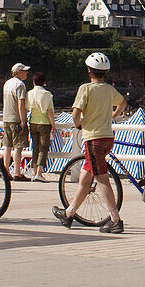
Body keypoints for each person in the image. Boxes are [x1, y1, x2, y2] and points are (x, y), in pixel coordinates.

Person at [53, 52, 127, 234]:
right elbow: (123, 102)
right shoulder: (109, 90)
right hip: (107, 137)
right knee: (86, 178)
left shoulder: (85, 89)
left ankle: (115, 219)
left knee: (101, 179)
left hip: (93, 139)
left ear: (89, 71)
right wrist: (113, 115)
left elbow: (76, 113)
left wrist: (78, 124)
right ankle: (69, 214)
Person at [2, 63, 31, 181]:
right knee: (18, 147)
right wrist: (23, 121)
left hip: (6, 117)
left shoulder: (7, 83)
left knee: (7, 146)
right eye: (24, 71)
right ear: (18, 72)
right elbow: (21, 104)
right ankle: (17, 173)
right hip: (16, 118)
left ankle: (6, 171)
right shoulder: (20, 85)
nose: (26, 73)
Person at [27, 71, 56, 182]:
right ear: (44, 82)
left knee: (35, 147)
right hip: (44, 123)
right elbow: (50, 112)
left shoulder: (29, 93)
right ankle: (39, 172)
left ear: (33, 82)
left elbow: (27, 108)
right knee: (43, 148)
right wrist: (53, 125)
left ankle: (34, 172)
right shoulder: (47, 94)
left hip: (33, 122)